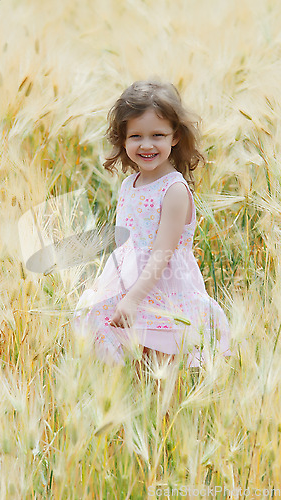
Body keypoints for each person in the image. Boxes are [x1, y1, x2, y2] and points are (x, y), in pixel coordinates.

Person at [73, 80, 231, 367]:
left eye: (157, 135)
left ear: (175, 137)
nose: (146, 145)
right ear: (122, 139)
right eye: (136, 136)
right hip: (129, 283)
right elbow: (127, 243)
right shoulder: (128, 185)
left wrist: (134, 299)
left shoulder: (174, 190)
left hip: (164, 291)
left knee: (162, 372)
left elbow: (162, 253)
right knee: (137, 370)